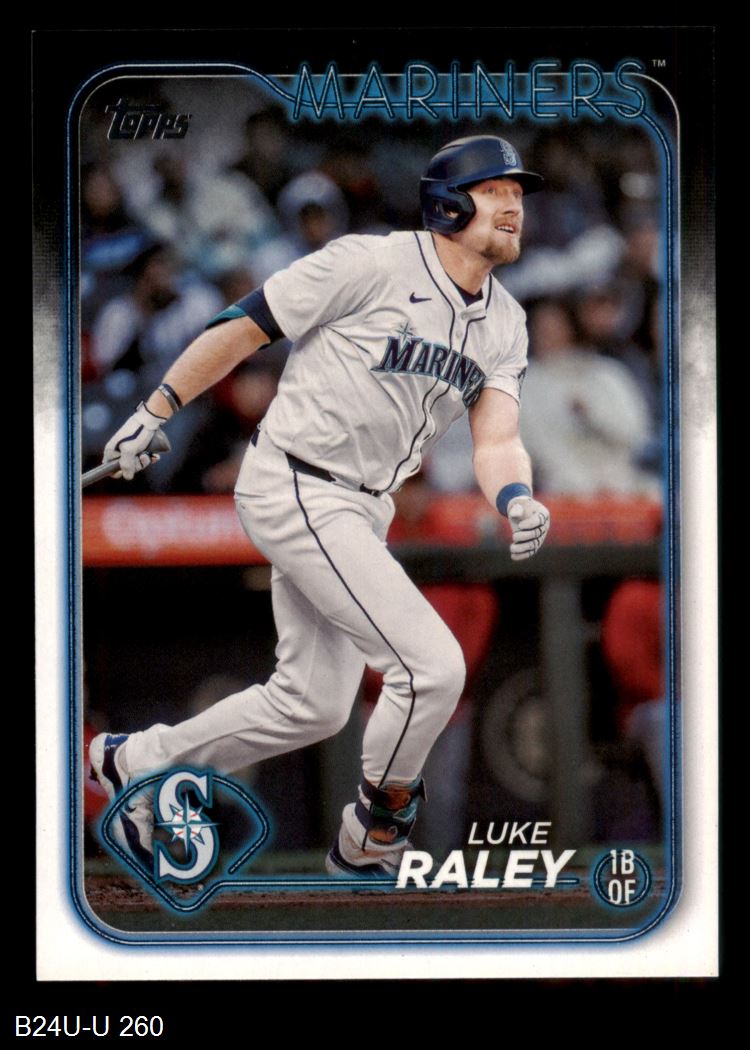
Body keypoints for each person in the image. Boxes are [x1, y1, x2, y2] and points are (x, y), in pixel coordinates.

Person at [89, 135, 552, 879]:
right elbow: (245, 323)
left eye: (519, 194)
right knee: (431, 669)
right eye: (496, 190)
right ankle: (372, 837)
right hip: (297, 479)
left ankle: (137, 759)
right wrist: (157, 407)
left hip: (365, 507)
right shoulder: (370, 262)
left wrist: (515, 495)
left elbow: (497, 437)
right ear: (448, 203)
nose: (513, 206)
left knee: (313, 704)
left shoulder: (507, 322)